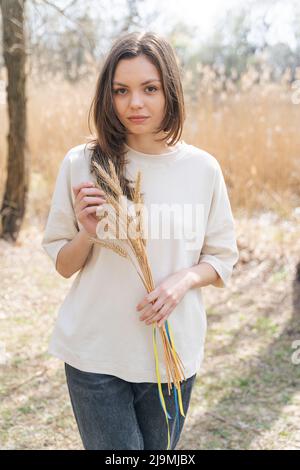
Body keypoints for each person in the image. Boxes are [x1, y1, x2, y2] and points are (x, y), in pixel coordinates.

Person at [41, 30, 239, 450]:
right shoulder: (82, 163)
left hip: (173, 356)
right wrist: (87, 233)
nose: (135, 103)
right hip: (94, 355)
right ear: (107, 96)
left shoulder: (203, 169)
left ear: (170, 91)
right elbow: (62, 264)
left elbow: (221, 257)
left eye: (150, 88)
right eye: (121, 90)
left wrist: (182, 281)